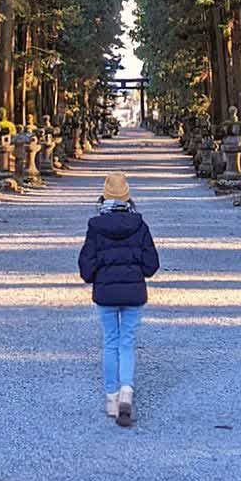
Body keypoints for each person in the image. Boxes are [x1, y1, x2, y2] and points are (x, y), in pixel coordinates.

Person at [78, 171, 160, 427]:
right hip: (134, 293)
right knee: (127, 342)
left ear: (104, 197)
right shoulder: (140, 225)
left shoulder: (95, 227)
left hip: (105, 293)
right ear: (128, 197)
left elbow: (86, 267)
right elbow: (151, 264)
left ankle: (112, 398)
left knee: (110, 341)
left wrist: (100, 270)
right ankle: (127, 391)